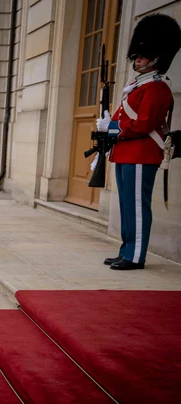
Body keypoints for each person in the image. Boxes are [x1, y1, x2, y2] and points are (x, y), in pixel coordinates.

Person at [98, 14, 180, 270]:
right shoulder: (137, 86)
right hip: (125, 153)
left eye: (142, 56)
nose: (138, 60)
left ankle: (135, 256)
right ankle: (126, 250)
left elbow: (144, 123)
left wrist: (114, 129)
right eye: (137, 56)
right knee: (126, 206)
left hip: (141, 154)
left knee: (136, 207)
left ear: (155, 59)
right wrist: (109, 125)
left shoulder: (156, 87)